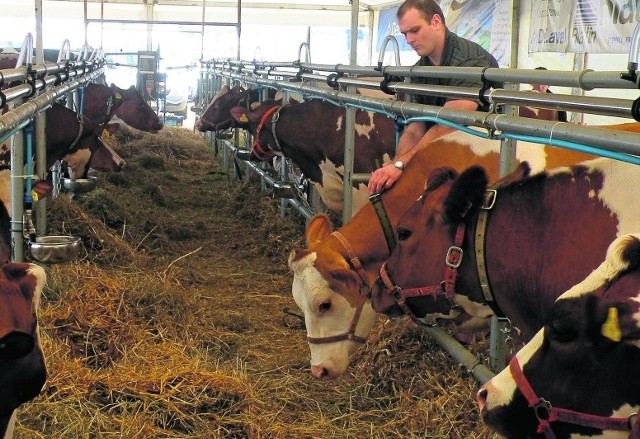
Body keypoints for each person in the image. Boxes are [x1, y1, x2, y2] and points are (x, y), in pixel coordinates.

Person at [368, 0, 501, 194]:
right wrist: (397, 166)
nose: (409, 40)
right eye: (405, 34)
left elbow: (450, 123)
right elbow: (416, 126)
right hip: (446, 152)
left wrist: (401, 165)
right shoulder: (420, 69)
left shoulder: (470, 61)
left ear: (436, 22)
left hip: (482, 158)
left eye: (415, 30)